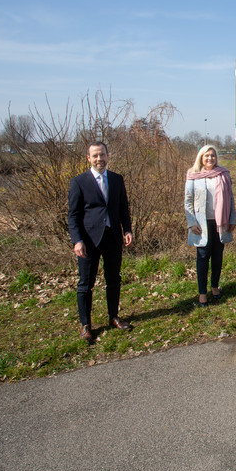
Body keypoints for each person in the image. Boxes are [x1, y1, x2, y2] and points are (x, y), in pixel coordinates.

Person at [68, 141, 134, 343]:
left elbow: (123, 207)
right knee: (85, 284)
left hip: (113, 237)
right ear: (88, 158)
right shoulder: (79, 182)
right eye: (95, 156)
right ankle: (85, 325)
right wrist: (77, 240)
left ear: (107, 156)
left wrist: (128, 229)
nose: (99, 159)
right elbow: (73, 215)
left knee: (113, 279)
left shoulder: (116, 179)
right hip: (88, 241)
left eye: (102, 155)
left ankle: (114, 317)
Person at [185, 145, 236, 307]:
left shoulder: (223, 174)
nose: (210, 159)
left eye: (213, 156)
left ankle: (214, 287)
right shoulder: (193, 175)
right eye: (207, 156)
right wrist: (191, 222)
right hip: (201, 224)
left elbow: (231, 198)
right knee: (202, 257)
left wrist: (232, 219)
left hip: (220, 222)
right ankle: (202, 294)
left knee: (217, 257)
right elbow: (188, 201)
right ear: (201, 157)